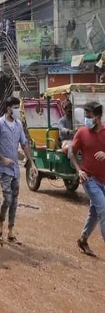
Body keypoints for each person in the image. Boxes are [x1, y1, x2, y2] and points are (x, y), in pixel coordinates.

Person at [0, 97, 35, 244]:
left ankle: (10, 230)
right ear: (8, 109)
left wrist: (31, 163)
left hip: (15, 168)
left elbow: (24, 143)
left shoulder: (18, 124)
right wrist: (3, 159)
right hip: (3, 168)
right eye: (15, 107)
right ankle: (0, 223)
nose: (17, 110)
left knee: (15, 199)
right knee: (7, 197)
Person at [70, 101, 105, 257]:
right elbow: (71, 152)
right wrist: (79, 170)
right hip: (89, 179)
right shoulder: (82, 133)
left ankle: (83, 240)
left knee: (95, 212)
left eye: (89, 116)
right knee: (103, 209)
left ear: (98, 117)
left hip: (103, 180)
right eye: (85, 116)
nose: (86, 119)